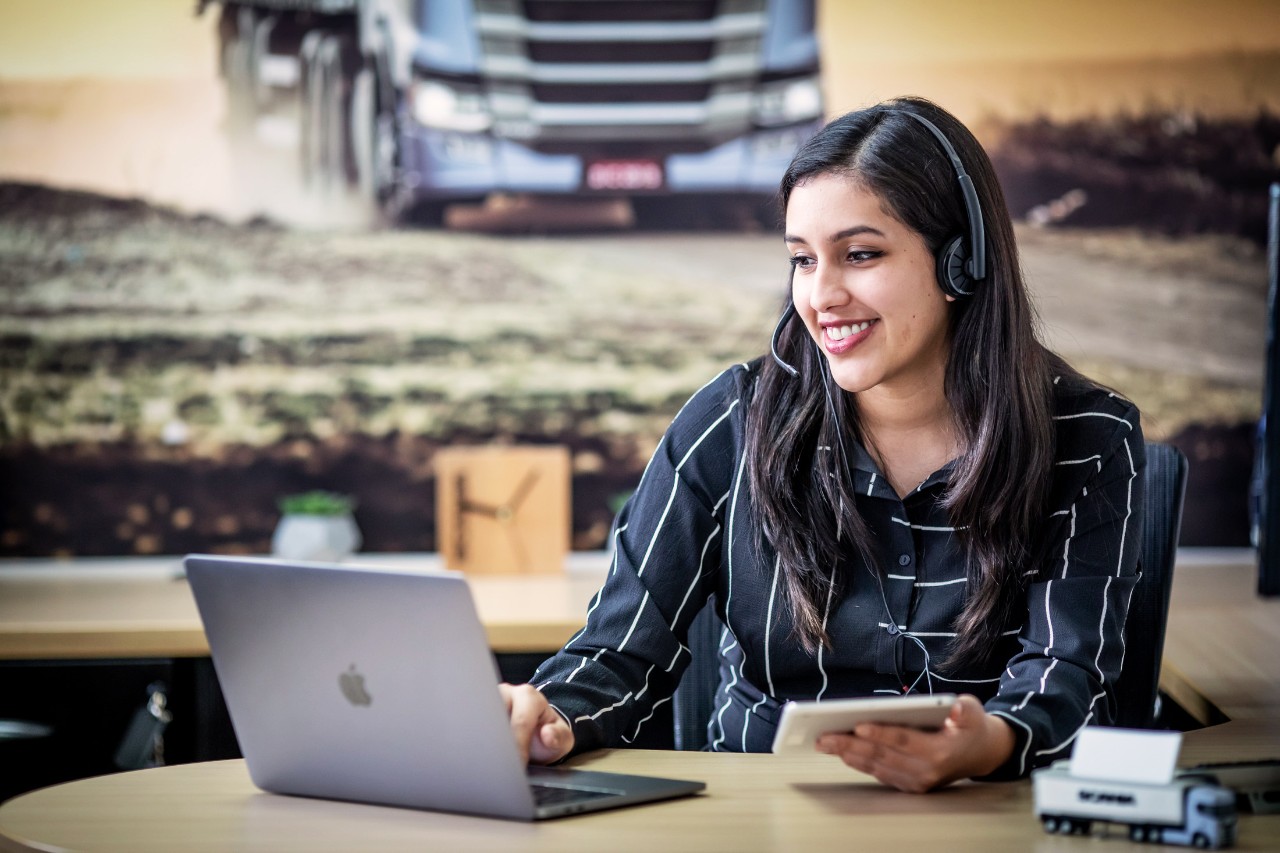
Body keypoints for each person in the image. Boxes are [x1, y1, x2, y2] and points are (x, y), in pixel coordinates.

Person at [501, 96, 1144, 793]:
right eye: (803, 260)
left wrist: (987, 742)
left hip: (985, 817)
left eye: (860, 254)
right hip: (757, 818)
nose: (822, 294)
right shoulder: (731, 422)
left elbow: (1067, 674)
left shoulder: (1088, 437)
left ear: (961, 261)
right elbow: (618, 652)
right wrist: (553, 713)